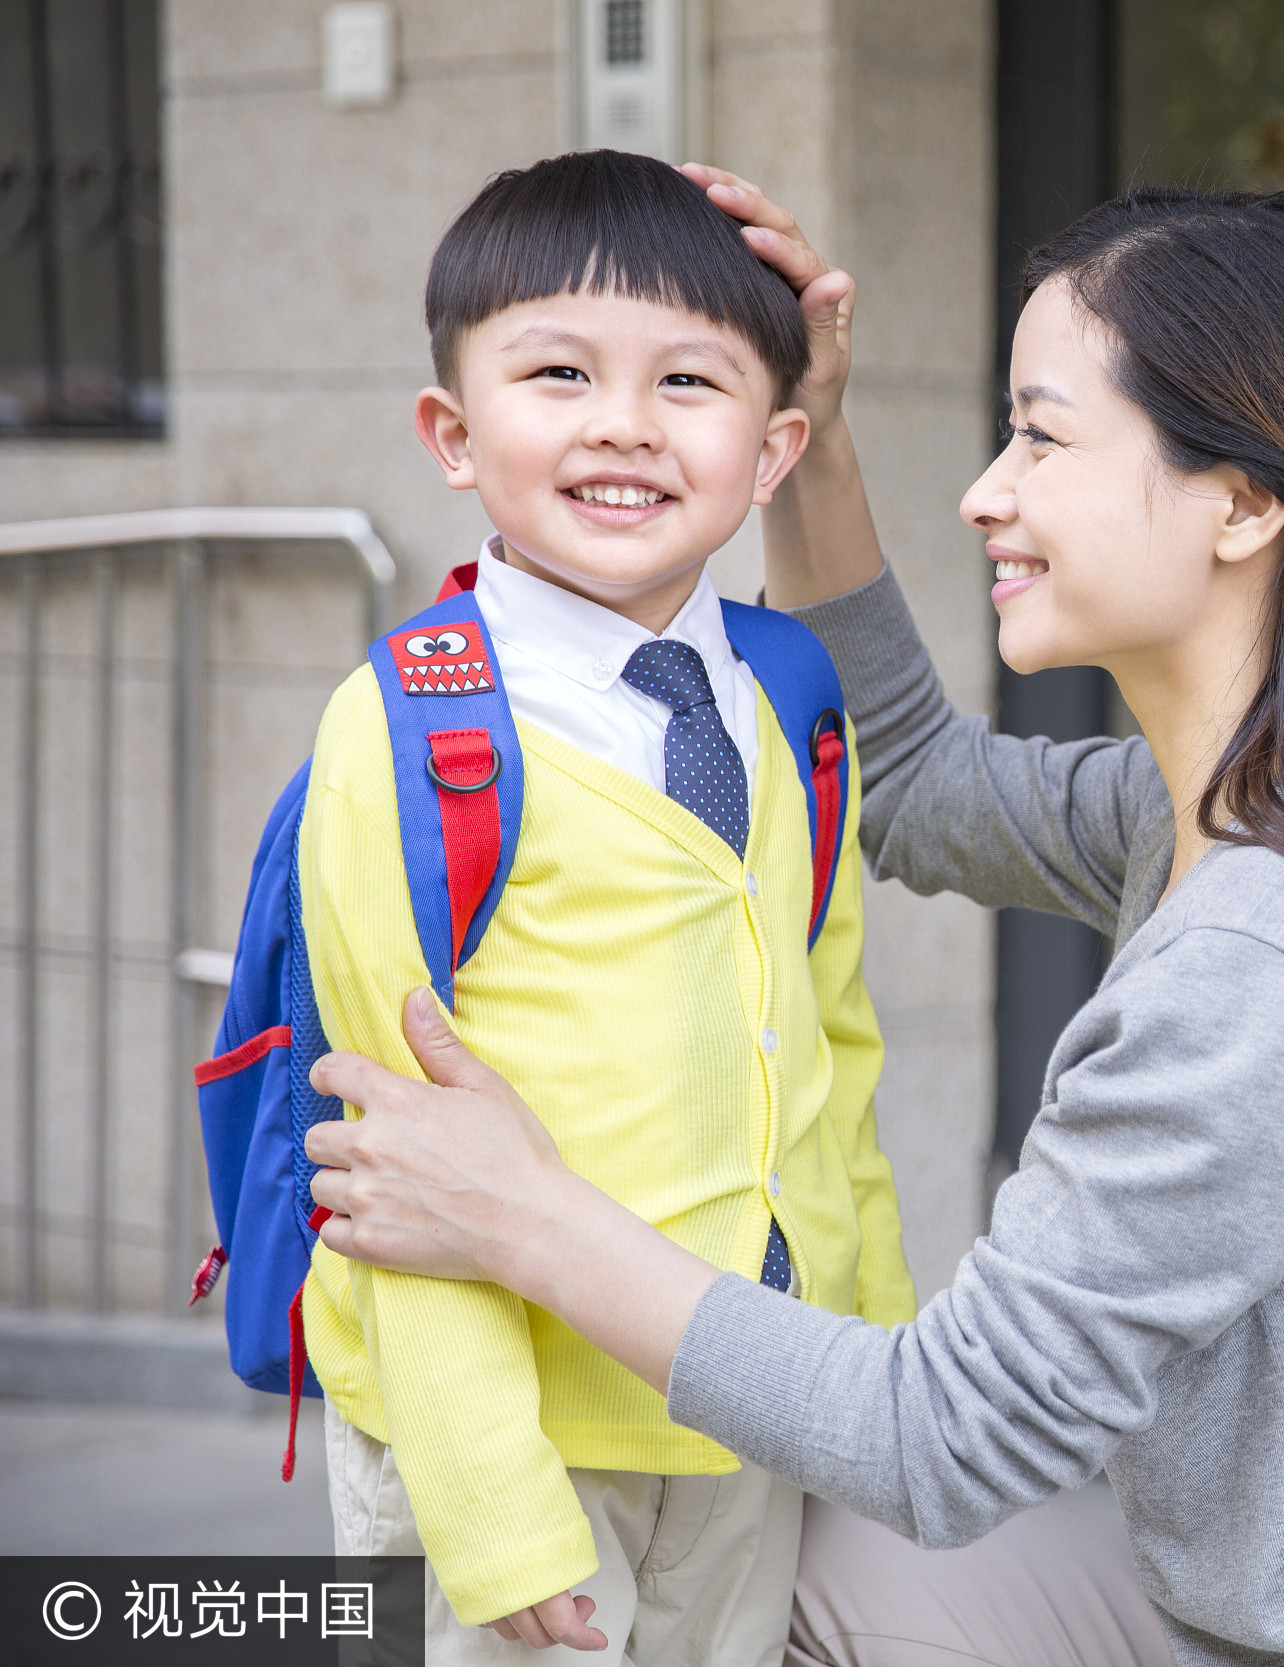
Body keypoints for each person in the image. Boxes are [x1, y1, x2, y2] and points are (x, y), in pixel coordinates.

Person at [308, 175, 1284, 1667]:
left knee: (774, 1540)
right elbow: (905, 781)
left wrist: (524, 1217)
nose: (986, 489)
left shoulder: (1266, 952)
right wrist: (817, 431)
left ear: (1242, 500)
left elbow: (941, 1439)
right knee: (771, 1546)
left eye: (1041, 436)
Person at [295, 150, 916, 1664]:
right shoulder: (409, 730)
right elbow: (398, 1157)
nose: (623, 424)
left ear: (774, 454)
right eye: (558, 370)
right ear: (453, 430)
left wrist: (876, 1385)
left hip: (748, 1410)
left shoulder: (784, 695)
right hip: (510, 1444)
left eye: (688, 384)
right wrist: (490, 1504)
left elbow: (833, 1061)